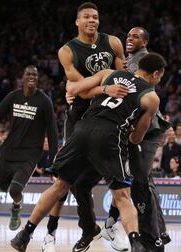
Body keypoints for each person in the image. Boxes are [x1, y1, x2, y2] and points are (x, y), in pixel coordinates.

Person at [10, 53, 166, 252]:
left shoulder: (110, 73)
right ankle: (136, 243)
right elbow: (136, 139)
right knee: (122, 196)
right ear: (155, 74)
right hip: (110, 135)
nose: (158, 81)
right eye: (160, 77)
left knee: (60, 186)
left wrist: (104, 90)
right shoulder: (151, 97)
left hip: (82, 130)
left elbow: (73, 88)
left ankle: (24, 235)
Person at [43, 2, 127, 252]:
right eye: (87, 17)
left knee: (120, 177)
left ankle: (112, 225)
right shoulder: (67, 51)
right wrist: (104, 84)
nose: (92, 20)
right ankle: (78, 230)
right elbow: (81, 88)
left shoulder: (112, 42)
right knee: (70, 179)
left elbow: (122, 79)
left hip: (110, 113)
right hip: (80, 116)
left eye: (96, 17)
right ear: (77, 22)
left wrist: (97, 87)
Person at [0, 65, 58, 242]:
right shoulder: (13, 96)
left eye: (35, 75)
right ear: (22, 77)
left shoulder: (44, 101)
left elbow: (52, 133)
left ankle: (16, 205)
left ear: (38, 79)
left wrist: (54, 163)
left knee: (15, 189)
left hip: (29, 155)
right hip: (7, 152)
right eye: (28, 73)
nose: (32, 76)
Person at [121, 26, 171, 251]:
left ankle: (154, 237)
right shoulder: (128, 59)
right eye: (129, 35)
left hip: (147, 128)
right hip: (140, 126)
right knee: (144, 183)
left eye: (136, 36)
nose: (130, 38)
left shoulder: (146, 60)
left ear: (145, 42)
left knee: (141, 183)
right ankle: (159, 233)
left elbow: (137, 90)